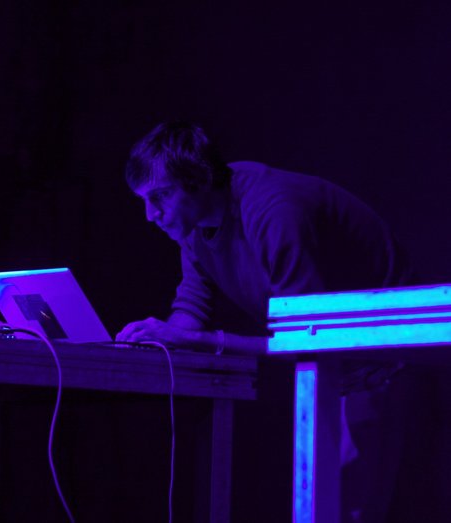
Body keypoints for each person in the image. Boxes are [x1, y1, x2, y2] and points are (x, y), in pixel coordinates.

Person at [115, 121, 418, 522]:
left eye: (160, 196)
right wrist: (156, 341)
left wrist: (204, 341)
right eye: (144, 200)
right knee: (324, 505)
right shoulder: (193, 224)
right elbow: (191, 309)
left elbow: (305, 337)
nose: (151, 215)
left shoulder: (273, 210)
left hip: (382, 362)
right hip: (331, 370)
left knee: (351, 509)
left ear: (198, 179)